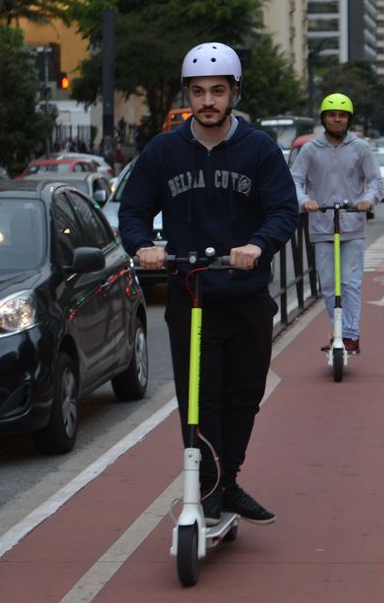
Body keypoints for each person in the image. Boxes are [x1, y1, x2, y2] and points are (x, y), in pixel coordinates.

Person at [119, 42, 299, 527]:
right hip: (192, 296)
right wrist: (143, 244)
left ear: (234, 92)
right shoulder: (164, 151)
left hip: (246, 296)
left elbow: (284, 210)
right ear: (187, 94)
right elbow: (133, 209)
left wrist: (258, 245)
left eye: (218, 91)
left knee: (244, 395)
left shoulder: (259, 149)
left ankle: (229, 480)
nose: (208, 101)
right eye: (198, 92)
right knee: (199, 398)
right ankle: (209, 489)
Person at [290, 92, 384, 355]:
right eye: (332, 115)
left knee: (351, 282)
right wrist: (305, 200)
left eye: (342, 115)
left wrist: (367, 200)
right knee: (329, 284)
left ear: (349, 119)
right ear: (323, 118)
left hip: (352, 224)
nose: (337, 119)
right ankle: (338, 330)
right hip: (321, 225)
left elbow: (376, 181)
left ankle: (351, 334)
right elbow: (295, 181)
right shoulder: (310, 150)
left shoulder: (361, 148)